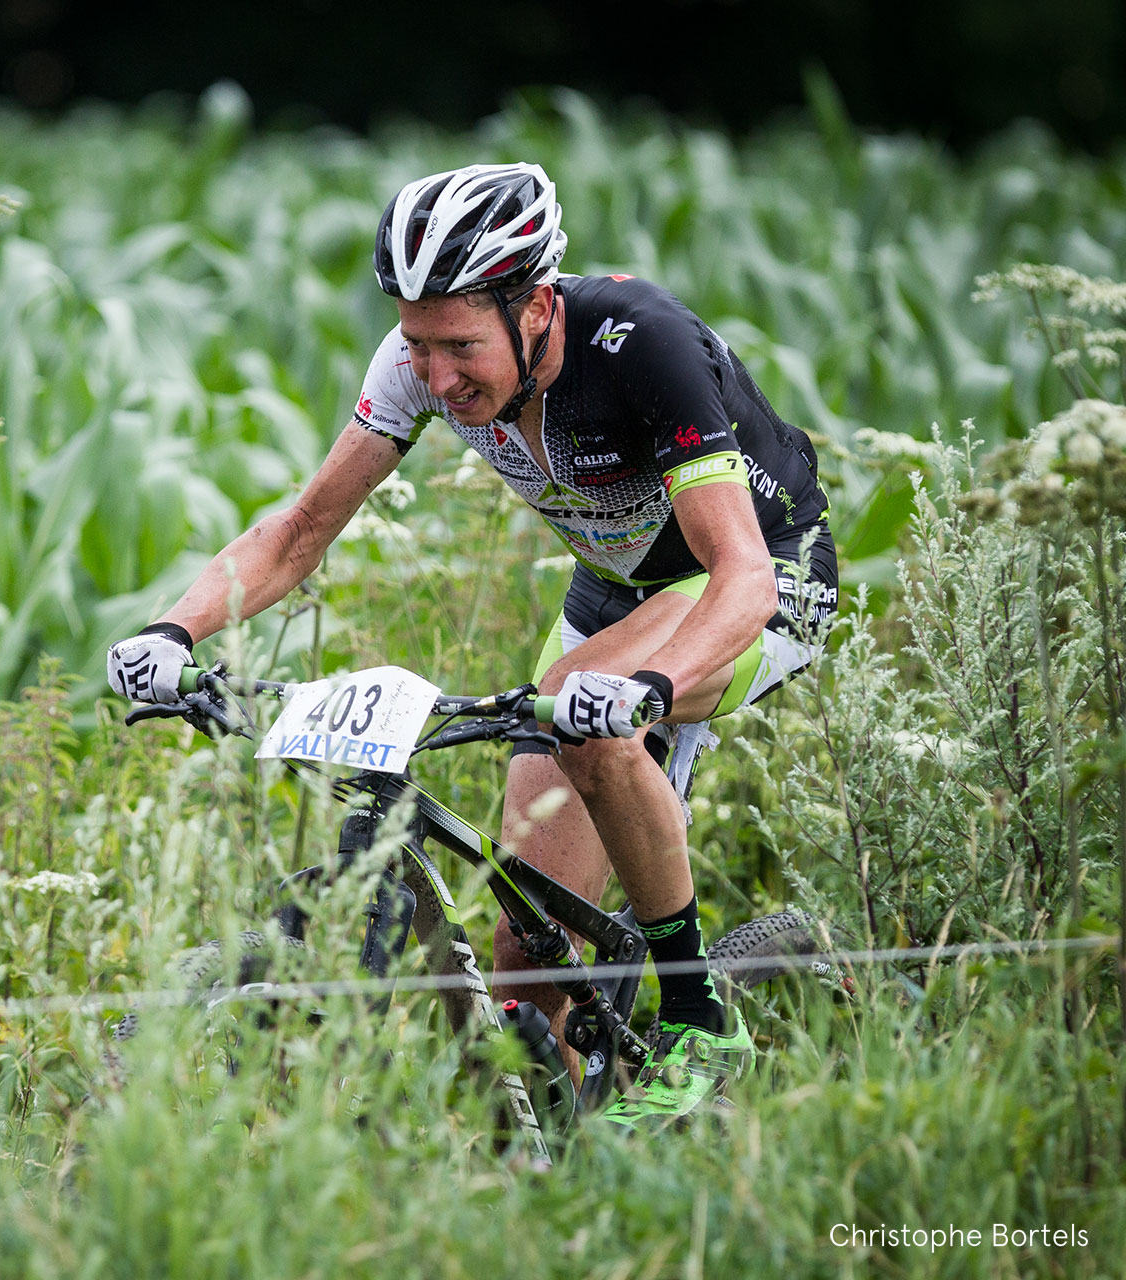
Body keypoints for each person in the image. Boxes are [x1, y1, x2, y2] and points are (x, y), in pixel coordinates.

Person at [107, 162, 837, 1126]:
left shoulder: (639, 347)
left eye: (460, 346)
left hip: (763, 578)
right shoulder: (415, 364)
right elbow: (297, 533)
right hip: (613, 593)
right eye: (419, 345)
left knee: (592, 712)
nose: (439, 379)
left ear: (535, 307)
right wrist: (172, 631)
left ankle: (702, 1015)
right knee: (526, 947)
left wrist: (648, 687)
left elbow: (736, 570)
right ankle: (561, 1161)